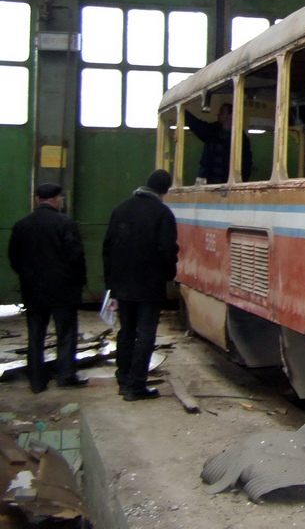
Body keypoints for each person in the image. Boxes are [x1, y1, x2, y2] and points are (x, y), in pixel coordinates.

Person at [102, 169, 179, 401]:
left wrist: (110, 281)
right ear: (165, 190)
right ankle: (136, 386)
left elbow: (108, 247)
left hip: (122, 284)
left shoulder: (121, 208)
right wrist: (168, 275)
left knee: (126, 332)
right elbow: (168, 250)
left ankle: (123, 379)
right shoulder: (162, 213)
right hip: (149, 285)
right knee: (145, 335)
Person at [7, 183, 88, 393]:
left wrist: (28, 276)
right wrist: (79, 282)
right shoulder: (65, 223)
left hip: (33, 289)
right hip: (63, 289)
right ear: (57, 200)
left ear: (36, 199)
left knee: (35, 334)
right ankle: (66, 376)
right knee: (66, 333)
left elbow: (14, 257)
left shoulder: (21, 225)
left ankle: (36, 380)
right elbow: (76, 256)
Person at [184, 103, 252, 183]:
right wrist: (183, 112)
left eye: (222, 112)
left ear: (231, 115)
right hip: (209, 183)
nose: (218, 114)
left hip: (227, 184)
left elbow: (246, 164)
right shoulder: (212, 131)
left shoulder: (242, 140)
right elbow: (196, 125)